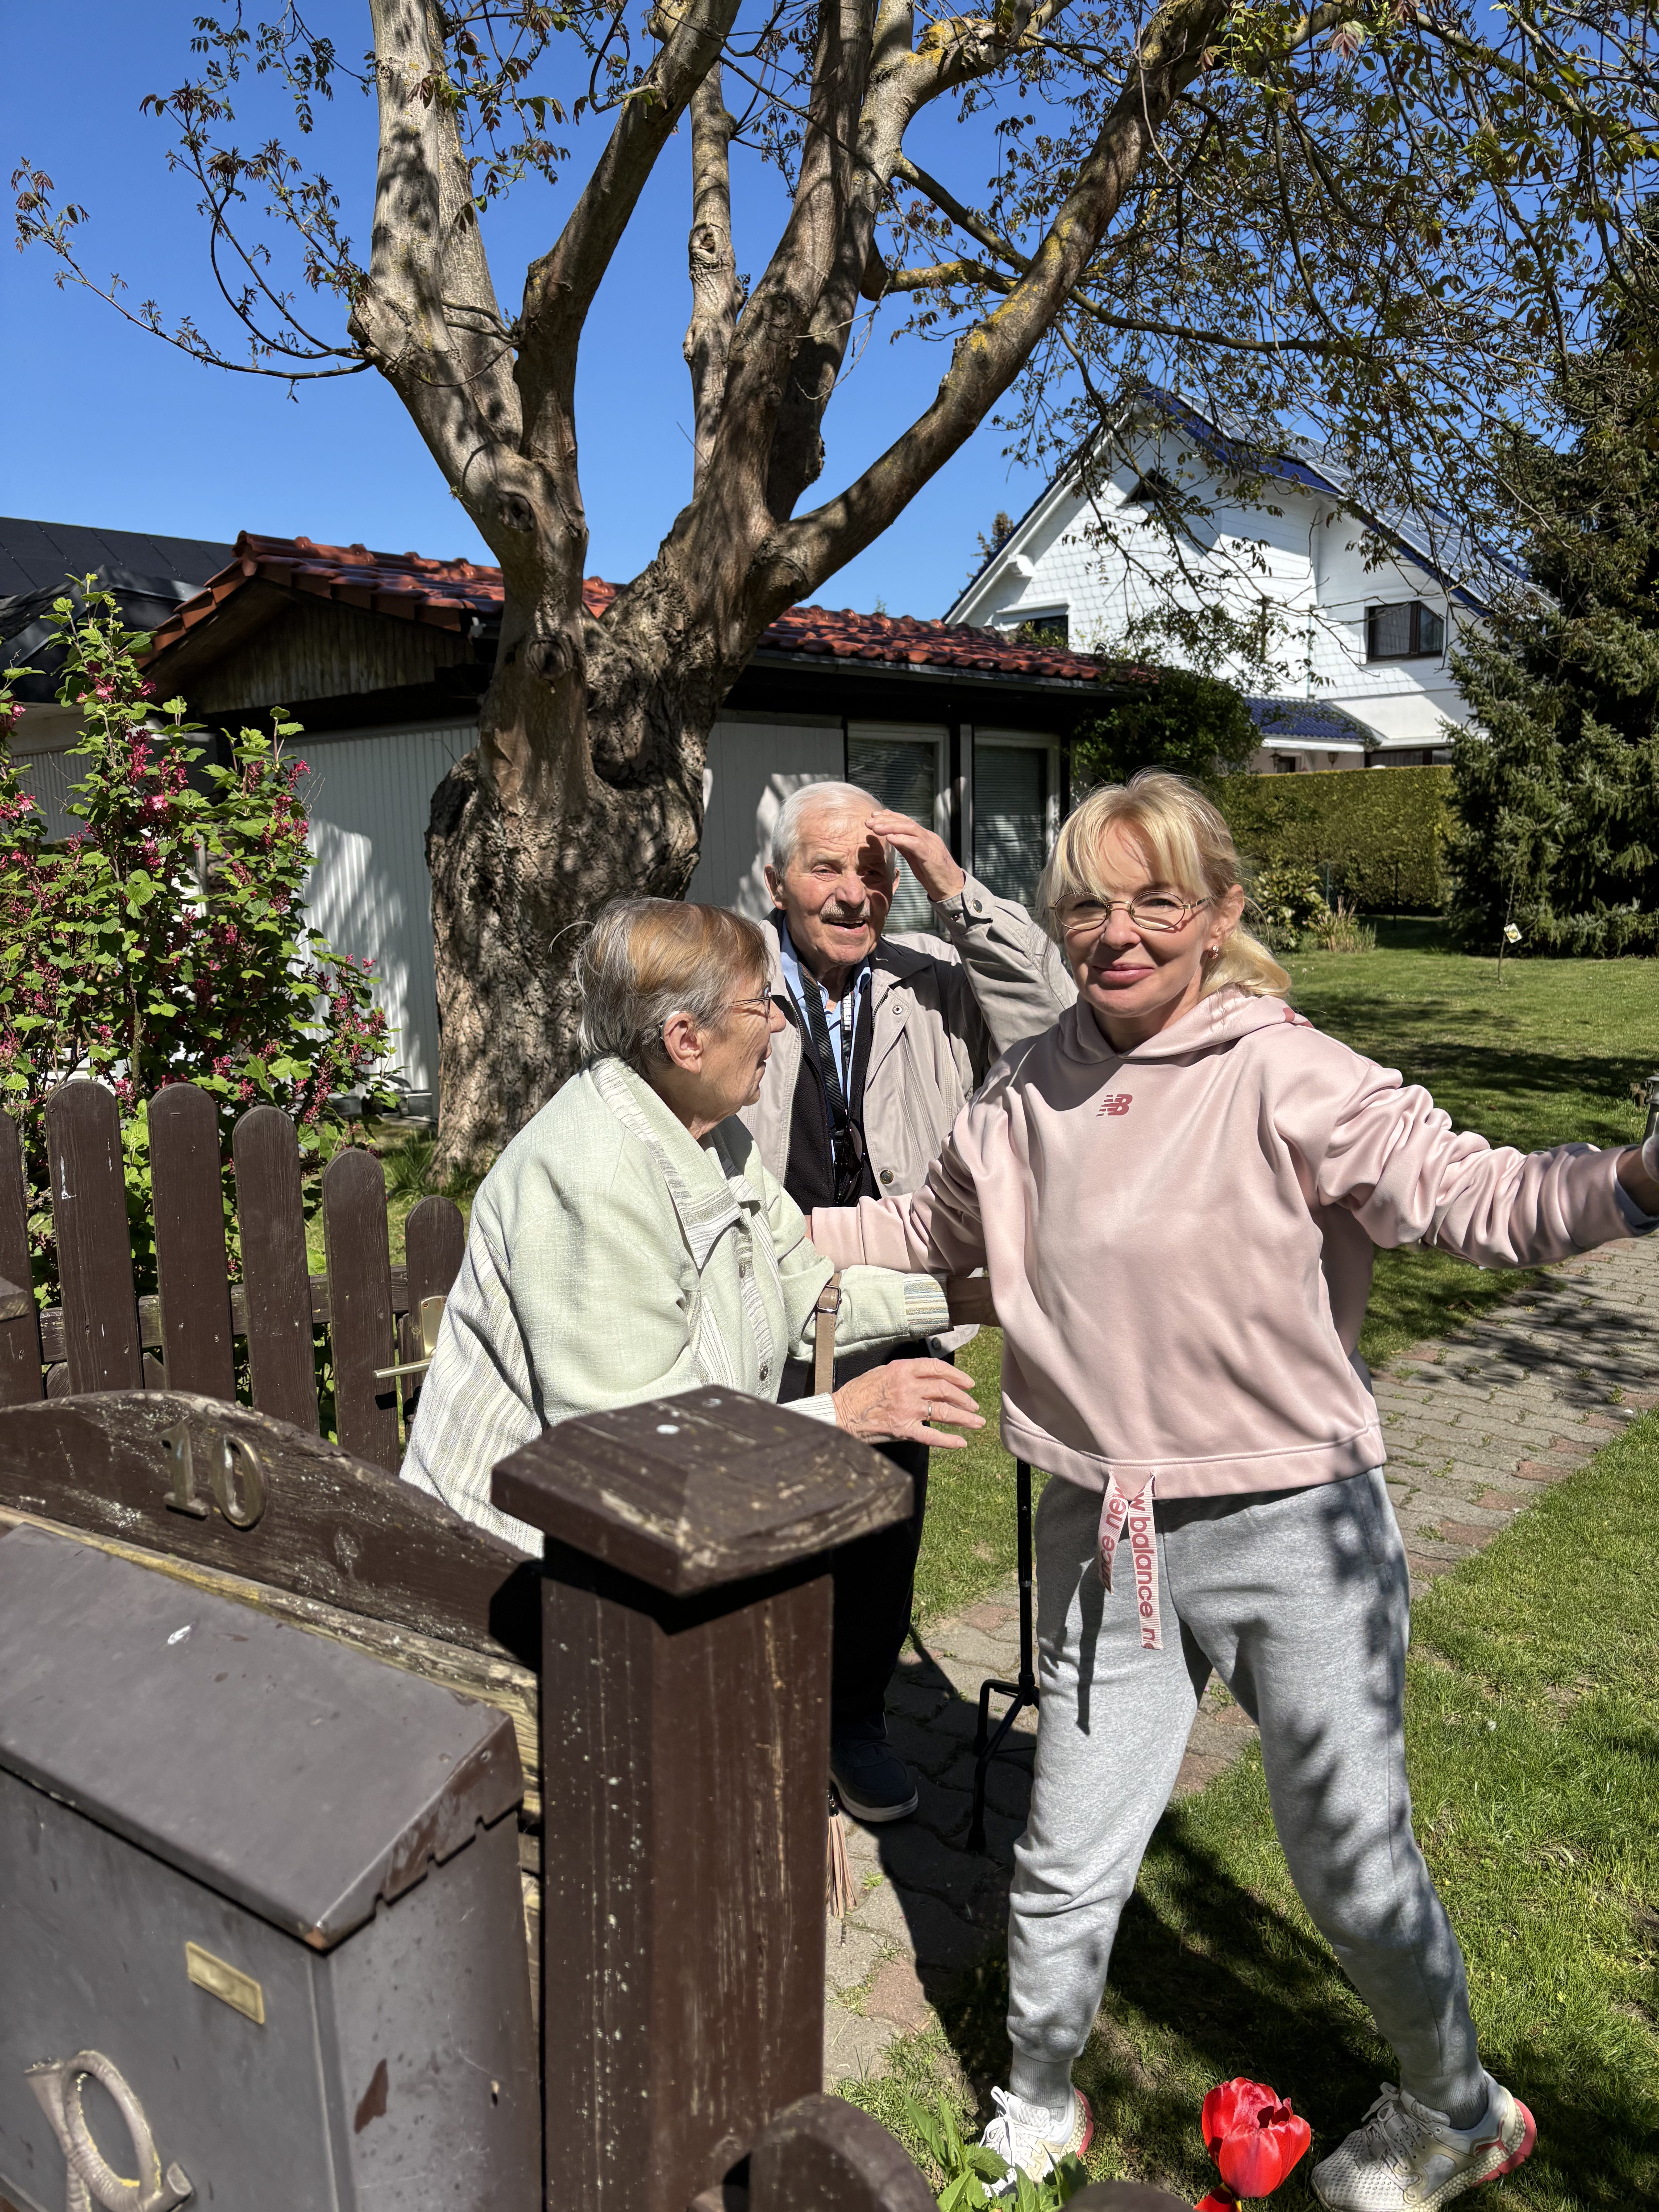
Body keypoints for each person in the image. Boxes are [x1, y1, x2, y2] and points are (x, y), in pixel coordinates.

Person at [807, 771, 1659, 2212]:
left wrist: (1633, 1179)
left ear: (1217, 914)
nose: (1117, 932)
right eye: (1090, 902)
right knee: (1067, 1845)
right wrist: (732, 1228)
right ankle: (1033, 2104)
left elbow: (1477, 1196)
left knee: (1346, 1852)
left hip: (1294, 1530)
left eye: (1155, 902)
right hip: (1103, 1533)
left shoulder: (1287, 1070)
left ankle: (1458, 2109)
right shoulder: (1024, 1093)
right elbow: (916, 1228)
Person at [402, 897, 982, 1551]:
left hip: (637, 1558)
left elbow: (808, 1295)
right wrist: (845, 1415)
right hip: (504, 1573)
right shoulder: (594, 1178)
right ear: (686, 1040)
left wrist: (976, 1299)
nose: (781, 1026)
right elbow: (636, 1445)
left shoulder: (716, 1134)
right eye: (762, 1004)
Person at [746, 780, 1073, 1822]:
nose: (853, 894)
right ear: (776, 883)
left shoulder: (933, 975)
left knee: (881, 1520)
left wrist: (953, 887)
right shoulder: (730, 975)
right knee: (756, 1512)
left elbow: (1057, 1025)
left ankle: (853, 1720)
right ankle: (755, 1722)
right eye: (827, 869)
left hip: (898, 1291)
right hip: (761, 1289)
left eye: (874, 872)